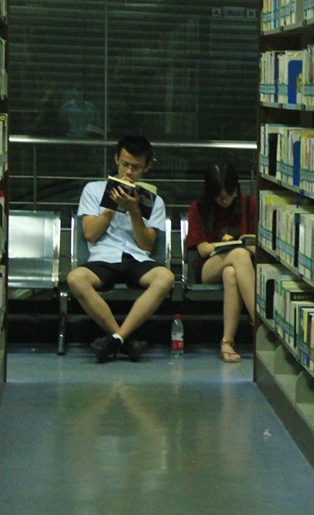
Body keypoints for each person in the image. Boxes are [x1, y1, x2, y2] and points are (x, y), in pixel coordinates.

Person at [67, 135, 175, 363]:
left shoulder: (153, 200)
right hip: (103, 256)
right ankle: (124, 338)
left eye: (136, 167)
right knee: (75, 279)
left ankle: (115, 339)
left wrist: (135, 210)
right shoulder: (93, 190)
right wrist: (111, 207)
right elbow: (90, 234)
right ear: (116, 159)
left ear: (146, 167)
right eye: (125, 164)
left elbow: (146, 245)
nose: (129, 172)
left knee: (165, 278)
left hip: (136, 257)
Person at [185, 164, 257, 363]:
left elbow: (259, 243)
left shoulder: (249, 205)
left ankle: (227, 342)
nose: (224, 200)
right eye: (218, 196)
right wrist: (235, 246)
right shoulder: (198, 208)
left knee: (231, 274)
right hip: (208, 266)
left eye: (229, 194)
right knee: (239, 254)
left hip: (242, 268)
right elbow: (203, 249)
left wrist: (248, 246)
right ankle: (259, 322)